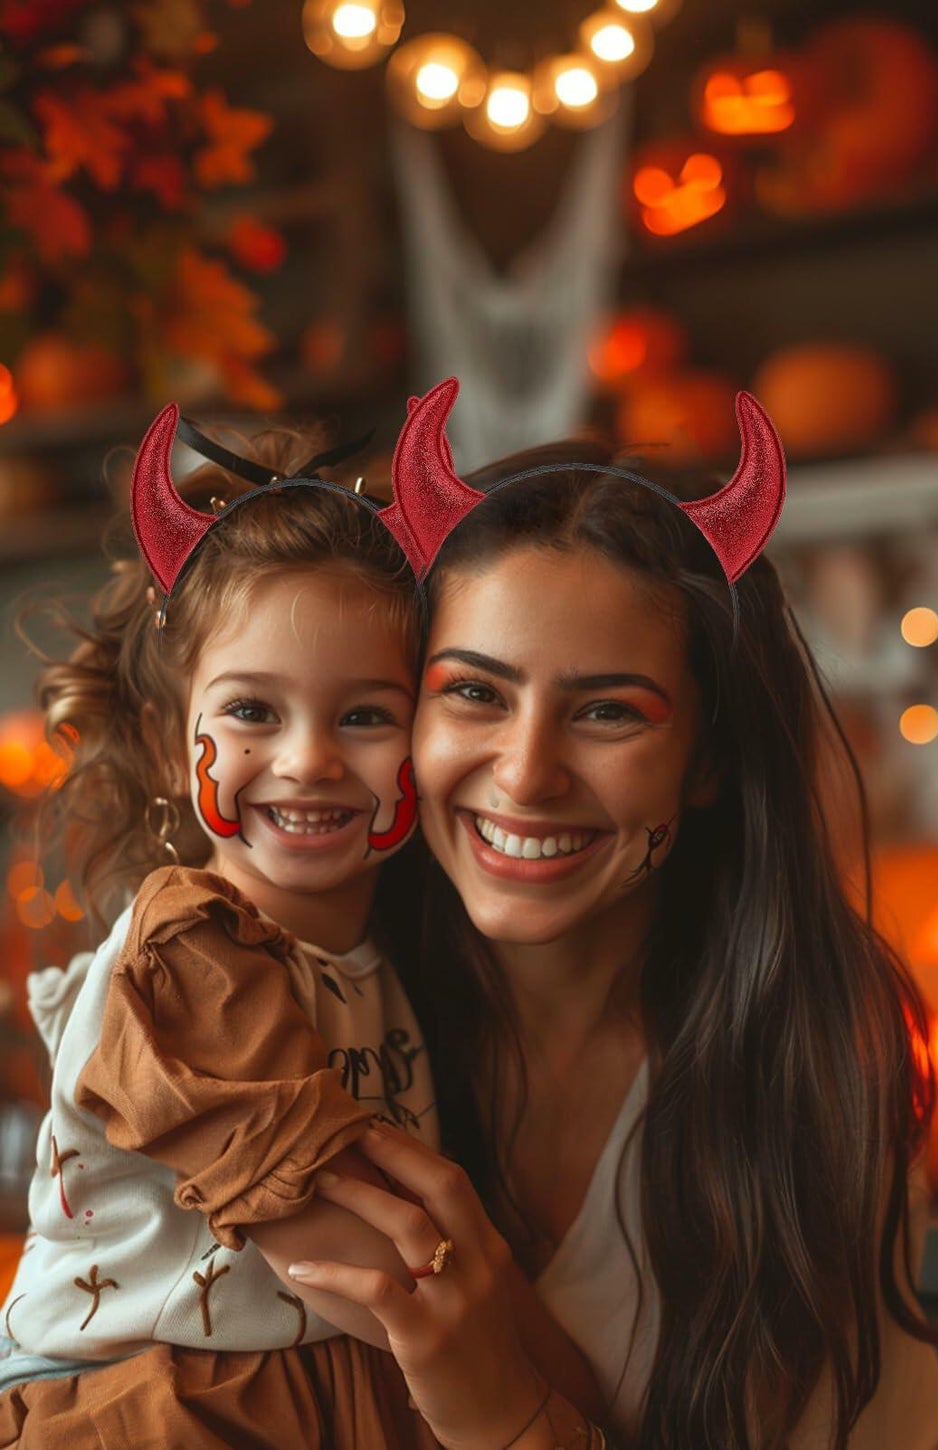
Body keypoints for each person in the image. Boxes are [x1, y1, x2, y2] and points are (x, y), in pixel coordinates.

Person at [285, 381, 938, 1449]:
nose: (526, 774)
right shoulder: (297, 1002)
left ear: (708, 759)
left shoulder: (811, 1056)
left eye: (604, 711)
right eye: (474, 693)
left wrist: (501, 1404)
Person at [0, 406, 601, 1448]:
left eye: (365, 715)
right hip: (149, 1409)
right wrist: (573, 1410)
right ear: (161, 734)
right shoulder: (189, 952)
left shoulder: (367, 954)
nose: (311, 759)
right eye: (251, 712)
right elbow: (360, 1268)